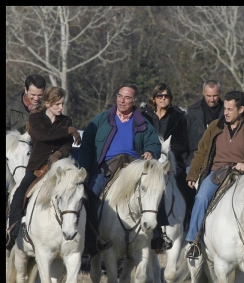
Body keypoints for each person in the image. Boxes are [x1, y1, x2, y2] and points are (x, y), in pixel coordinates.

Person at [184, 90, 244, 259]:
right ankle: (193, 242)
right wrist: (193, 175)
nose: (225, 112)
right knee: (201, 197)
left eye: (230, 109)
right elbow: (201, 152)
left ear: (241, 110)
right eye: (224, 108)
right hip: (216, 172)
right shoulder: (215, 127)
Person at [78, 83, 164, 256]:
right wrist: (85, 169)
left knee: (154, 190)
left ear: (134, 101)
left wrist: (150, 151)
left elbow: (154, 143)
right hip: (107, 166)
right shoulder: (101, 120)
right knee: (90, 196)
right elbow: (86, 145)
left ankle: (156, 235)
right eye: (120, 96)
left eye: (127, 98)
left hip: (134, 165)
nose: (122, 101)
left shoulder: (142, 122)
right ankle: (91, 242)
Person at [6, 86, 81, 250]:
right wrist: (69, 130)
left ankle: (90, 240)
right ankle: (11, 234)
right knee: (19, 195)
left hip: (61, 167)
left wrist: (59, 154)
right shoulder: (35, 119)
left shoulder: (66, 120)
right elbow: (43, 135)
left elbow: (68, 145)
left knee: (84, 194)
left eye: (62, 104)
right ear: (47, 103)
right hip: (37, 167)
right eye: (57, 104)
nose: (61, 108)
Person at [140, 83, 189, 245]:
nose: (163, 99)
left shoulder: (179, 117)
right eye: (159, 96)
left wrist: (167, 151)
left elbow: (183, 142)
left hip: (172, 161)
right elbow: (138, 138)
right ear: (154, 98)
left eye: (166, 96)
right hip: (148, 162)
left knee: (187, 187)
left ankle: (187, 224)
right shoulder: (143, 116)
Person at [185, 80, 224, 171]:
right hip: (195, 159)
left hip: (220, 159)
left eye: (215, 96)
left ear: (220, 93)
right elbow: (185, 138)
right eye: (209, 96)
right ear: (203, 93)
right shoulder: (192, 112)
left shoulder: (227, 111)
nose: (212, 99)